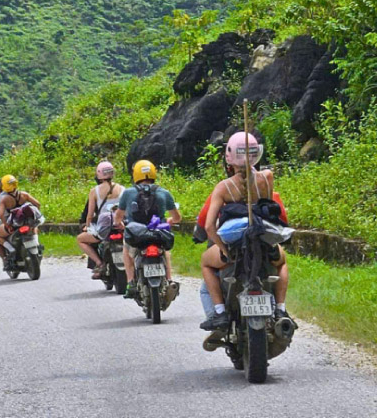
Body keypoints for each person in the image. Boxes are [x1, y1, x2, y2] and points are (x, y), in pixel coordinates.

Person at [198, 131, 292, 332]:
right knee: (282, 262)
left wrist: (223, 249)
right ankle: (281, 309)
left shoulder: (223, 188)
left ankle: (220, 312)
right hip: (262, 240)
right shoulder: (267, 178)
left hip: (235, 246)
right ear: (256, 154)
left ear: (229, 157)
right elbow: (268, 207)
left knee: (206, 262)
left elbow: (208, 226)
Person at [113, 160, 182, 298]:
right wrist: (169, 221)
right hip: (159, 234)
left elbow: (118, 216)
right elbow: (177, 218)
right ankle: (169, 280)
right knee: (165, 252)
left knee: (126, 251)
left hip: (137, 235)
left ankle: (131, 282)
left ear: (136, 175)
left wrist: (120, 224)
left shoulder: (128, 193)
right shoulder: (164, 192)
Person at [76, 161, 125, 279]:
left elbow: (90, 213)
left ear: (99, 174)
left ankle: (99, 263)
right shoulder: (122, 189)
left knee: (80, 239)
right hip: (120, 225)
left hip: (104, 228)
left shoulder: (95, 191)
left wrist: (88, 227)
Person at [0, 174, 41, 270]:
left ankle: (10, 250)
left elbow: (1, 214)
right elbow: (37, 204)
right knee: (34, 227)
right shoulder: (24, 194)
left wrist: (7, 225)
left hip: (14, 224)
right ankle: (36, 242)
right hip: (27, 222)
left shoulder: (4, 199)